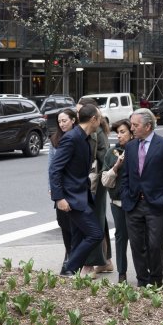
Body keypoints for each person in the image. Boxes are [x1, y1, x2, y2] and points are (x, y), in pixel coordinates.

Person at [119, 108, 163, 288]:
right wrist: (126, 195)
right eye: (132, 125)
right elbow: (126, 176)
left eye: (135, 125)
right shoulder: (130, 146)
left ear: (148, 126)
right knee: (137, 246)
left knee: (155, 245)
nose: (132, 128)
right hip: (133, 204)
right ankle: (142, 281)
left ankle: (156, 281)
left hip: (156, 205)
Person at [48, 104, 104, 276]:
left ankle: (70, 271)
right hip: (72, 198)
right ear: (93, 119)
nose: (101, 122)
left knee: (78, 237)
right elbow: (55, 169)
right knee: (95, 234)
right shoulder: (71, 138)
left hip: (81, 196)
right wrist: (59, 198)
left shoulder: (84, 138)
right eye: (100, 118)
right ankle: (69, 267)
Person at [77, 97, 114, 275]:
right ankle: (105, 260)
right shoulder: (95, 128)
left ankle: (90, 263)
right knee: (99, 219)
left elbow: (104, 157)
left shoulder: (96, 130)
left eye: (80, 111)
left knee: (93, 220)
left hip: (95, 182)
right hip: (95, 181)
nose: (78, 115)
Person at [100, 119, 133, 283]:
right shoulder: (112, 153)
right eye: (117, 132)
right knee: (121, 237)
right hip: (117, 202)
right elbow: (105, 180)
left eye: (123, 132)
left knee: (139, 239)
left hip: (136, 203)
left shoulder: (137, 150)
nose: (119, 136)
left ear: (131, 132)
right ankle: (122, 273)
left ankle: (145, 273)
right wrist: (116, 167)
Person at [50, 108, 78, 260]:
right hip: (60, 188)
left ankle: (75, 258)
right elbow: (51, 168)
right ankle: (68, 256)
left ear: (73, 120)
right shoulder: (55, 140)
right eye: (59, 121)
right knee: (63, 223)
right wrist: (51, 188)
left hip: (75, 188)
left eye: (64, 120)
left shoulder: (80, 137)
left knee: (76, 224)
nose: (61, 124)